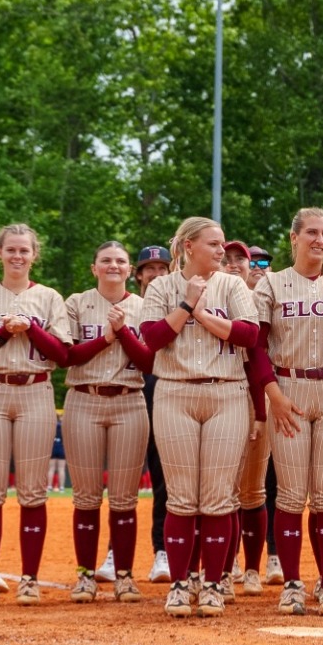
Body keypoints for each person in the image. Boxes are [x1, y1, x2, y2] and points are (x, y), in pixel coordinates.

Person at [138, 217, 261, 617]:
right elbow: (152, 340)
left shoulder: (233, 284)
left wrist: (205, 315)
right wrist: (188, 304)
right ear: (188, 246)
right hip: (175, 390)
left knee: (217, 496)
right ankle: (179, 584)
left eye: (222, 244)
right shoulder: (161, 287)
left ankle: (211, 584)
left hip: (226, 390)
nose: (220, 251)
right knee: (182, 497)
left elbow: (249, 335)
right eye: (212, 244)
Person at [257, 208, 323, 616]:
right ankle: (291, 584)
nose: (320, 240)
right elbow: (256, 346)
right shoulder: (271, 284)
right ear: (294, 237)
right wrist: (273, 393)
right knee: (289, 494)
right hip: (288, 388)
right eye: (312, 233)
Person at [0, 224, 71, 605]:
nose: (18, 256)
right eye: (11, 250)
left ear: (34, 255)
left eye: (24, 250)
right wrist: (3, 334)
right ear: (0, 253)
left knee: (33, 491)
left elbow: (63, 355)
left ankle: (29, 579)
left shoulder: (50, 297)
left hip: (36, 390)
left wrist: (33, 330)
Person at [60, 241, 153, 605]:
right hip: (84, 397)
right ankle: (85, 576)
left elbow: (148, 362)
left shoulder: (142, 306)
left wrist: (125, 332)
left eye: (120, 261)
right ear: (93, 267)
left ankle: (124, 576)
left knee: (124, 498)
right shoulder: (77, 303)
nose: (113, 265)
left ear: (130, 270)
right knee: (85, 496)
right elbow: (67, 354)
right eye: (106, 260)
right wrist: (107, 337)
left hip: (129, 400)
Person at [221, 239, 274, 595]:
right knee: (221, 491)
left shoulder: (263, 301)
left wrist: (260, 408)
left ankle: (253, 568)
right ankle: (225, 568)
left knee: (253, 490)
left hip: (259, 398)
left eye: (242, 259)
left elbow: (258, 360)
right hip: (221, 395)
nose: (237, 263)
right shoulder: (210, 298)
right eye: (228, 258)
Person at [133, 245, 175, 583]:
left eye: (163, 266)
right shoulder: (129, 307)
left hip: (170, 391)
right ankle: (116, 554)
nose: (156, 273)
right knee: (126, 483)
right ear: (139, 275)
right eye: (149, 267)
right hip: (136, 394)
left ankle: (164, 550)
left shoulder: (178, 303)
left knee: (167, 479)